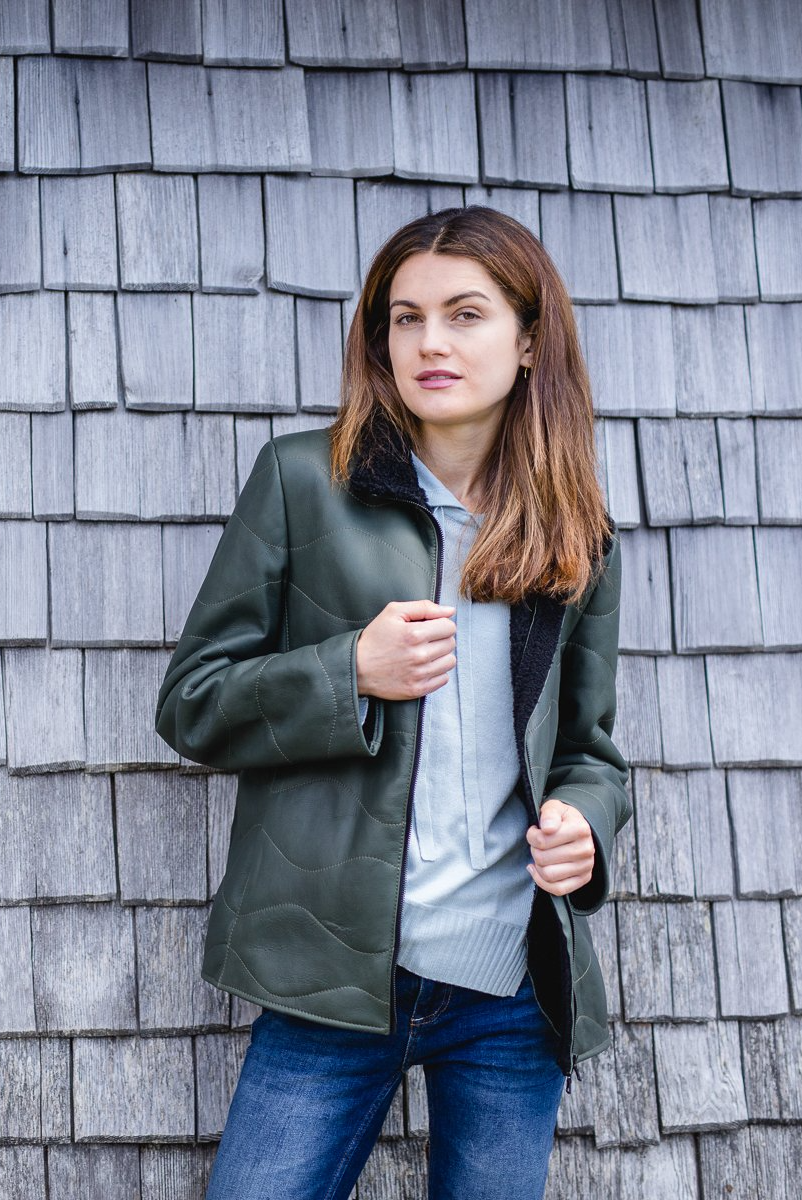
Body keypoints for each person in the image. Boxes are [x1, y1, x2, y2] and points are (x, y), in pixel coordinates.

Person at [155, 205, 631, 1200]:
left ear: (529, 339)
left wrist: (581, 823)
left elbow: (588, 749)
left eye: (465, 314)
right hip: (332, 979)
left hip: (511, 990)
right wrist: (348, 672)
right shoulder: (302, 481)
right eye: (405, 318)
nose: (429, 343)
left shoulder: (576, 531)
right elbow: (193, 702)